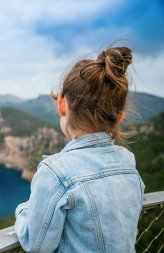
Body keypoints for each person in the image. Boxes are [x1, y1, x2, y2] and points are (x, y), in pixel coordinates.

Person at [15, 47, 145, 253]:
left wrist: (24, 209)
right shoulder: (127, 161)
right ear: (119, 119)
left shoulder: (55, 172)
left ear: (61, 104)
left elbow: (37, 244)